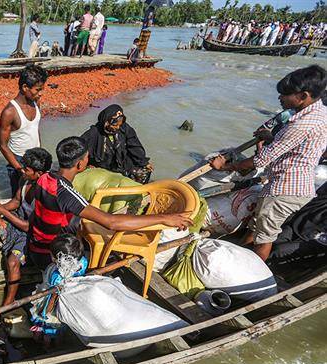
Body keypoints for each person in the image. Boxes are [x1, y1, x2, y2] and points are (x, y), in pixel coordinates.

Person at [210, 65, 327, 261]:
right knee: (258, 226)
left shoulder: (299, 124)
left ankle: (251, 273)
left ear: (303, 95)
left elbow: (260, 160)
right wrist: (272, 137)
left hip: (284, 189)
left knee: (264, 238)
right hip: (300, 185)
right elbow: (297, 145)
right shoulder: (321, 113)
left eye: (285, 94)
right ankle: (239, 255)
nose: (280, 98)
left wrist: (224, 166)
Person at [27, 137, 193, 269]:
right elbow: (112, 222)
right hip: (49, 254)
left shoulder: (44, 178)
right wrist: (163, 218)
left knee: (82, 222)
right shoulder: (66, 192)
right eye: (86, 158)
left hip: (35, 244)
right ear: (80, 164)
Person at [0, 148, 53, 305]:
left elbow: (28, 227)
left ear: (39, 173)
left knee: (12, 262)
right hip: (18, 221)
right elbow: (16, 201)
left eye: (26, 169)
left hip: (31, 235)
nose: (22, 170)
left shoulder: (44, 194)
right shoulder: (25, 180)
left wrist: (3, 211)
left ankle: (8, 302)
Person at [0, 64, 47, 197]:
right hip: (19, 160)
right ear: (25, 87)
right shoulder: (10, 112)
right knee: (18, 198)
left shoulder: (36, 102)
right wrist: (20, 169)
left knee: (35, 196)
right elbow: (3, 146)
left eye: (42, 89)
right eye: (37, 90)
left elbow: (35, 129)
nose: (40, 93)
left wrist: (40, 152)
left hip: (36, 157)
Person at [80, 104, 152, 183]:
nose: (117, 127)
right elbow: (79, 149)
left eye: (119, 125)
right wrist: (87, 166)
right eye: (115, 125)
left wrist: (144, 163)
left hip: (123, 165)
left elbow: (134, 147)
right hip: (104, 169)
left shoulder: (124, 128)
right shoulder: (93, 133)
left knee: (145, 172)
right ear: (106, 122)